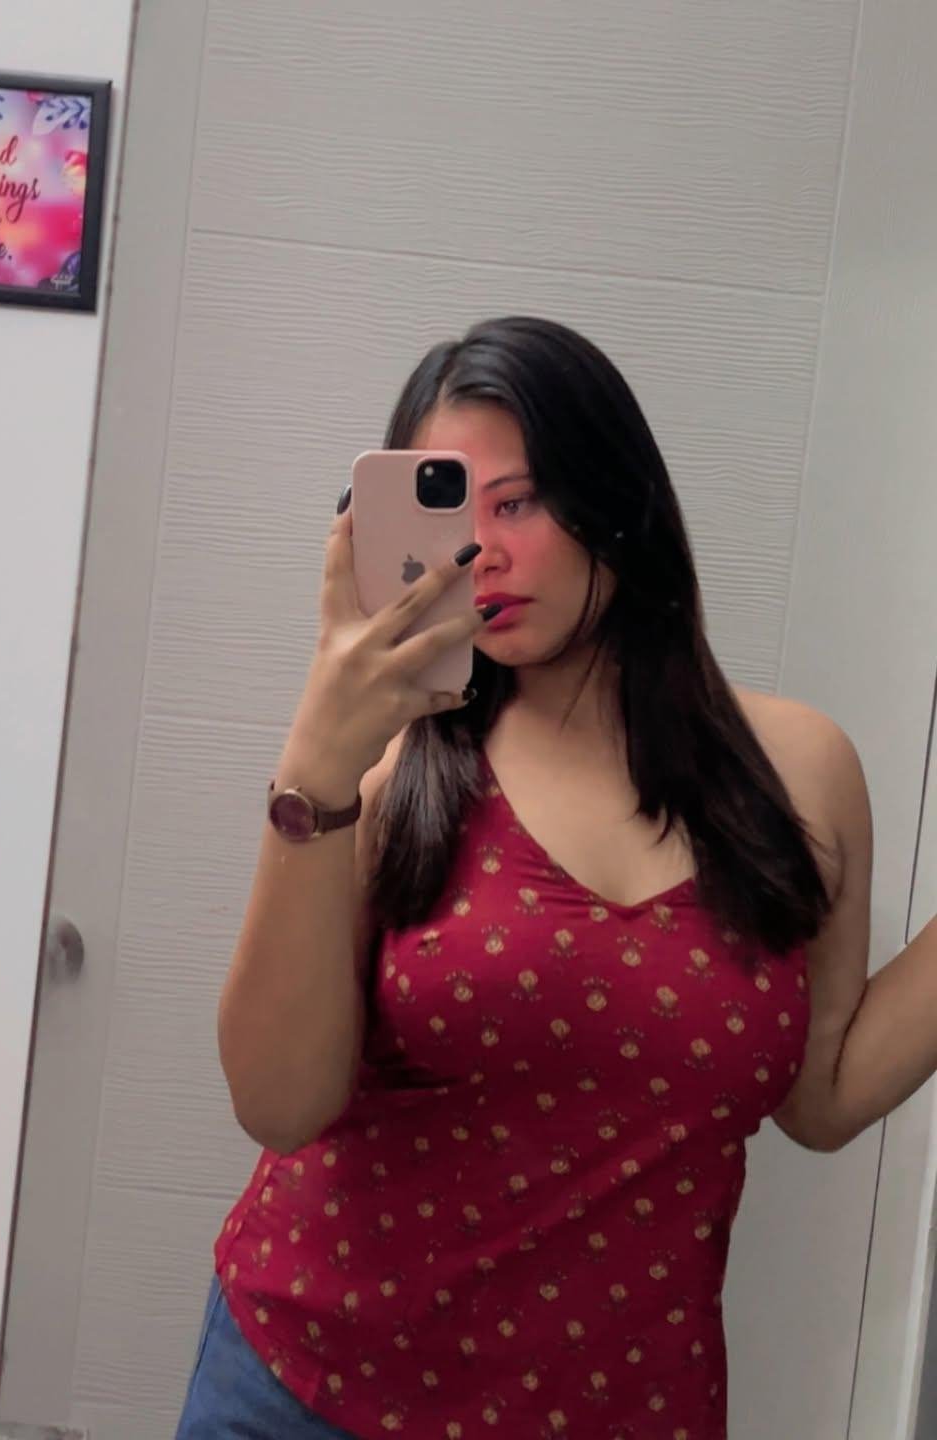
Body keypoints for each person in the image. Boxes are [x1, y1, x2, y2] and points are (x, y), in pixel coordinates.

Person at [174, 316, 937, 1439]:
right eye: (450, 512)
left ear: (615, 498)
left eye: (518, 502)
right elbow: (280, 1108)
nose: (480, 551)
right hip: (309, 1390)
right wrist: (315, 767)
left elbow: (818, 1097)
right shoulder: (387, 771)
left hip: (620, 1410)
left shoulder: (797, 773)